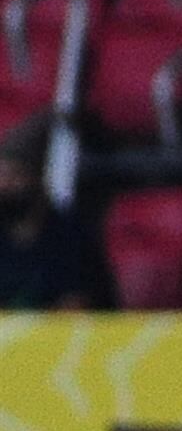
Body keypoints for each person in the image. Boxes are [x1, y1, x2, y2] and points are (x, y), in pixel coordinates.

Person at [0, 116, 113, 310]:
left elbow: (76, 304)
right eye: (2, 177)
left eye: (16, 176)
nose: (5, 186)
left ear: (38, 178)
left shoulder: (70, 235)